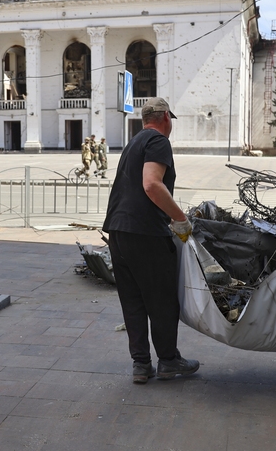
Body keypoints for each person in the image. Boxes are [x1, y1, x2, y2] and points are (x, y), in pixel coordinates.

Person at [102, 97, 199, 384]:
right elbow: (151, 184)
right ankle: (168, 360)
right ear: (166, 117)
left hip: (118, 232)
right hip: (146, 233)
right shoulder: (158, 142)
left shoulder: (133, 142)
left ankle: (141, 365)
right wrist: (180, 218)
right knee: (162, 300)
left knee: (133, 300)